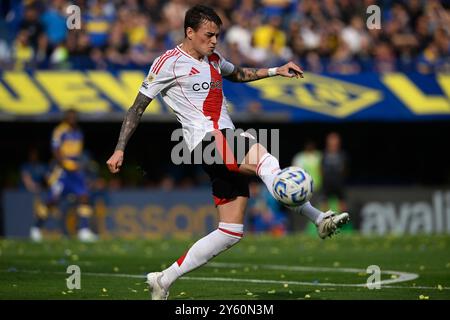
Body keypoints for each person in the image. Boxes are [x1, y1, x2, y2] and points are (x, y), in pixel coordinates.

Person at [106, 5, 349, 300]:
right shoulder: (167, 63)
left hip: (217, 143)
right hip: (206, 140)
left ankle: (163, 279)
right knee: (265, 159)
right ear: (189, 32)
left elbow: (239, 74)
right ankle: (317, 217)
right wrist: (119, 150)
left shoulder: (214, 58)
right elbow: (137, 108)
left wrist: (275, 70)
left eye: (217, 35)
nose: (214, 41)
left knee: (231, 231)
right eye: (209, 35)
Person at [37, 109, 98, 242]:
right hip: (61, 171)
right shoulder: (60, 131)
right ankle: (37, 228)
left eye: (75, 117)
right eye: (70, 117)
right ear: (66, 118)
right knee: (52, 200)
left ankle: (84, 231)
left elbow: (78, 152)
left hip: (75, 171)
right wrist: (64, 164)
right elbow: (56, 150)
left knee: (84, 196)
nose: (73, 119)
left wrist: (80, 165)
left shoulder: (78, 132)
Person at [321, 132, 348, 214]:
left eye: (335, 140)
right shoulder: (324, 154)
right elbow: (321, 168)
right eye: (331, 139)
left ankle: (343, 223)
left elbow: (345, 168)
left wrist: (341, 178)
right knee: (324, 201)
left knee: (342, 201)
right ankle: (325, 221)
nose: (333, 142)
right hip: (327, 182)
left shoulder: (342, 154)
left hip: (338, 182)